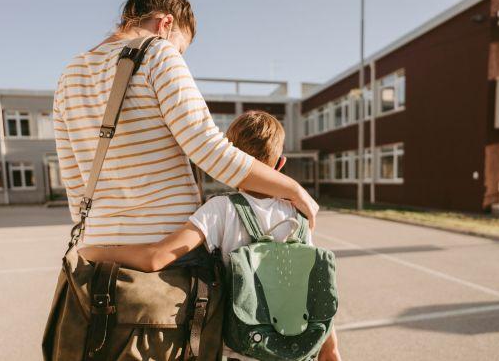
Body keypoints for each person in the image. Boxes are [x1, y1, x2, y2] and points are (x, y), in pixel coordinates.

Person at [53, 0, 318, 251]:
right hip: (164, 251)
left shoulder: (69, 73)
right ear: (165, 24)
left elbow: (74, 181)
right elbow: (208, 148)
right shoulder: (158, 51)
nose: (178, 56)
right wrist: (293, 189)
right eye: (181, 49)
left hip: (99, 249)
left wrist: (96, 239)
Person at [80, 111, 342, 361]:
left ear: (228, 162)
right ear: (281, 163)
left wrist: (93, 251)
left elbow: (156, 258)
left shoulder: (221, 209)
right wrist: (330, 348)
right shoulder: (298, 213)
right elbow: (313, 285)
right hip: (294, 341)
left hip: (241, 346)